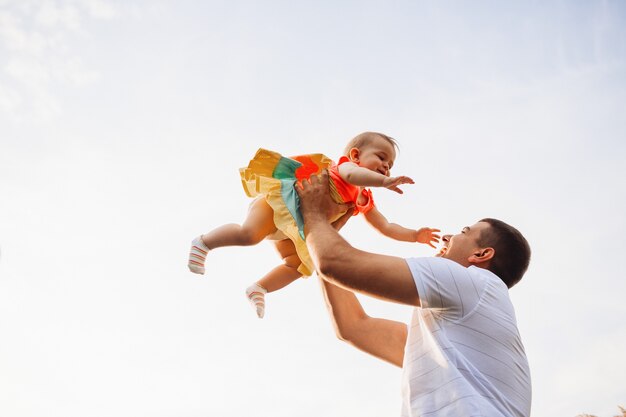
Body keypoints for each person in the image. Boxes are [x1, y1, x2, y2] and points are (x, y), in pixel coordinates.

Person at [296, 171, 532, 417]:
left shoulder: (477, 282)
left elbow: (335, 263)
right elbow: (354, 326)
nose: (448, 236)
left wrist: (313, 215)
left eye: (464, 231)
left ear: (482, 255)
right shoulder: (446, 334)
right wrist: (322, 234)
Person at [187, 132, 440, 318]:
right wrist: (384, 182)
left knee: (299, 265)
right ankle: (204, 242)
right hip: (279, 205)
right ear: (355, 155)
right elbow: (354, 176)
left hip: (295, 229)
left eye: (390, 165)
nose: (386, 166)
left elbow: (385, 226)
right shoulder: (345, 168)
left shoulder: (364, 198)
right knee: (249, 235)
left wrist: (415, 235)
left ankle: (260, 288)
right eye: (382, 158)